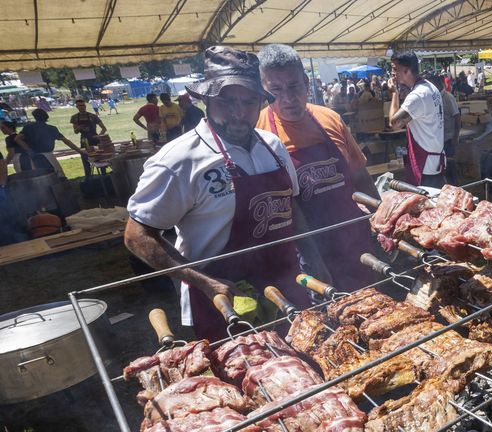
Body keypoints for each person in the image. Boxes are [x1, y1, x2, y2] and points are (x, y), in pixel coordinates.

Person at [124, 46, 308, 339]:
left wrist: (317, 263)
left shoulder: (273, 147)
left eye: (248, 102)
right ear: (205, 99)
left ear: (261, 101)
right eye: (226, 101)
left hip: (287, 285)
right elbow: (137, 236)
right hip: (222, 302)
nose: (238, 113)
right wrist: (204, 282)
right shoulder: (179, 159)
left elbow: (293, 207)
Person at [256, 43, 380, 291]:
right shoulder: (259, 133)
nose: (288, 99)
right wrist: (311, 258)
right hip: (308, 247)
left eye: (294, 86)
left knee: (373, 301)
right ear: (263, 90)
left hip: (352, 235)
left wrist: (381, 220)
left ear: (306, 81)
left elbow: (360, 175)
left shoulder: (330, 118)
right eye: (276, 90)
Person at [388, 51, 445, 187]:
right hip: (434, 162)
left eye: (395, 69)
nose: (392, 73)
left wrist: (394, 94)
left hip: (426, 166)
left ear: (407, 71)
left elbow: (394, 123)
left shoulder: (417, 96)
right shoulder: (430, 87)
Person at [18, 109, 85, 179]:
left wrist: (29, 150)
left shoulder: (28, 127)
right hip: (48, 156)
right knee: (59, 177)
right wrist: (79, 151)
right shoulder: (51, 128)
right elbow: (66, 141)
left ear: (35, 117)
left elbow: (18, 139)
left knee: (39, 180)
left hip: (34, 157)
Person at [426, 75, 460, 185]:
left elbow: (457, 117)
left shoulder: (448, 97)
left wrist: (456, 136)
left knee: (450, 166)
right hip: (438, 140)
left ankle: (455, 186)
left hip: (448, 138)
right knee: (442, 167)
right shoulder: (433, 98)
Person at [69, 96, 107, 180]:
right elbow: (75, 131)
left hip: (95, 139)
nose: (82, 107)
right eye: (79, 106)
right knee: (85, 159)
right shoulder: (74, 117)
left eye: (83, 105)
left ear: (85, 106)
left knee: (100, 158)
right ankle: (88, 177)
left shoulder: (93, 116)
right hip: (84, 140)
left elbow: (104, 128)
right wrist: (79, 128)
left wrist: (99, 136)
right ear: (77, 107)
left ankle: (104, 175)